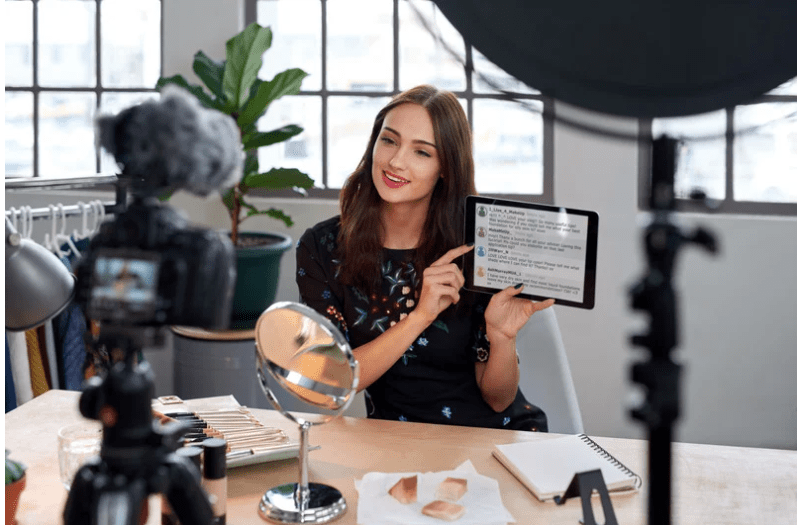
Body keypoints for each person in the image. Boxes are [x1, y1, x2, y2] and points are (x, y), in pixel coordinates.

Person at [296, 84, 554, 431]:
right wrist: (420, 316)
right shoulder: (323, 247)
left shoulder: (475, 246)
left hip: (491, 441)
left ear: (445, 168)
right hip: (396, 444)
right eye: (389, 140)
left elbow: (499, 399)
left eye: (422, 152)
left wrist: (501, 337)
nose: (396, 161)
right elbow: (331, 381)